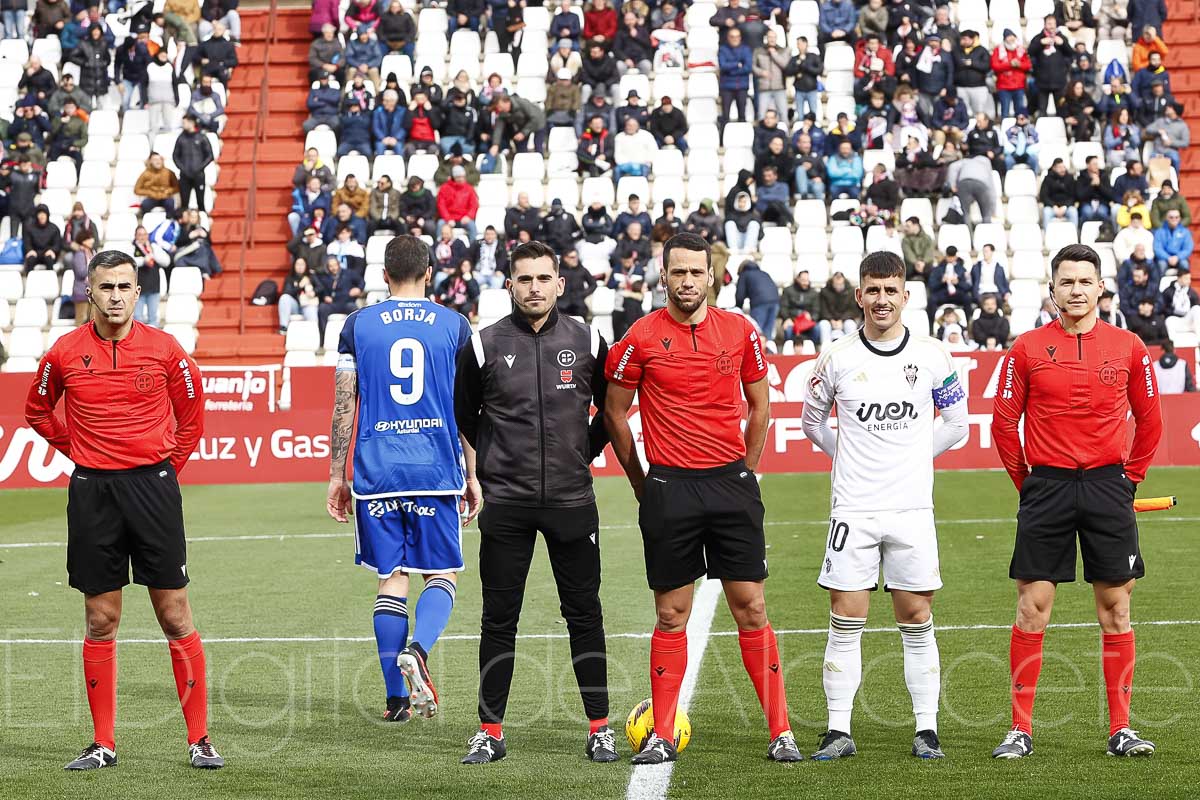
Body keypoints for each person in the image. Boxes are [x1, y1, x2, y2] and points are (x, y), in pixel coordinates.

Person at [604, 233, 802, 765]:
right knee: (672, 614)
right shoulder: (640, 338)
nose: (687, 281)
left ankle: (780, 731)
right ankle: (662, 734)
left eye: (696, 272)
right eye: (678, 273)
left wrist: (747, 470)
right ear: (662, 276)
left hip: (730, 486)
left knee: (752, 607)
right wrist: (643, 483)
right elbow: (615, 412)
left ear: (711, 275)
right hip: (670, 488)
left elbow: (761, 406)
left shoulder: (740, 330)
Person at [24, 250, 221, 771]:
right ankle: (103, 743)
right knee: (100, 617)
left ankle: (199, 740)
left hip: (153, 487)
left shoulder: (164, 349)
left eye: (124, 287)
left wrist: (164, 469)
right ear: (90, 291)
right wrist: (81, 452)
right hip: (93, 493)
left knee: (174, 613)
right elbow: (36, 410)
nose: (115, 296)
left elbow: (192, 415)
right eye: (105, 286)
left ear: (138, 293)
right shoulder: (63, 352)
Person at [990, 244, 1163, 760]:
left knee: (1116, 609)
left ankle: (1120, 729)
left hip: (1109, 486)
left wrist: (1128, 480)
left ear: (1100, 288)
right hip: (1047, 487)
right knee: (1032, 608)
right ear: (1053, 289)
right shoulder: (1025, 347)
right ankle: (1020, 729)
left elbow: (1150, 420)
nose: (1077, 290)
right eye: (1067, 282)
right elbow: (1004, 422)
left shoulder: (1130, 346)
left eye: (1086, 281)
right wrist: (1030, 483)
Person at [800, 251, 967, 761]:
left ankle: (926, 729)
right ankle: (837, 730)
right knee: (845, 614)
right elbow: (812, 422)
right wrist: (846, 458)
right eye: (873, 290)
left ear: (905, 296)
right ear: (859, 296)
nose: (881, 300)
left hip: (912, 508)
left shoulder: (936, 355)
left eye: (890, 290)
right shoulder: (836, 357)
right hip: (854, 507)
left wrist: (910, 458)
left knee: (916, 615)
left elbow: (957, 425)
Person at [454, 241, 615, 764]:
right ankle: (490, 730)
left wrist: (578, 454)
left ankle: (599, 727)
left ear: (560, 284)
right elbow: (466, 415)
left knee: (584, 614)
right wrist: (496, 466)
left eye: (544, 278)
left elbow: (609, 412)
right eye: (524, 279)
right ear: (509, 284)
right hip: (508, 504)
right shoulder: (482, 344)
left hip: (572, 500)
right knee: (499, 618)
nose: (534, 288)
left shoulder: (589, 339)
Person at [327, 235, 481, 725]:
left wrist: (337, 474)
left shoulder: (357, 325)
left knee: (390, 580)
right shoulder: (455, 326)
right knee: (441, 574)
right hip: (435, 468)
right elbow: (467, 410)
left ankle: (396, 700)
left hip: (377, 470)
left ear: (383, 275)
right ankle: (419, 647)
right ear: (430, 273)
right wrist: (473, 474)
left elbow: (344, 402)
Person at [173, 114, 214, 212]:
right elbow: (175, 156)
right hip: (184, 175)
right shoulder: (181, 138)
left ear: (192, 123)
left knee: (200, 202)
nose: (183, 125)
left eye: (185, 122)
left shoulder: (201, 137)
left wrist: (199, 168)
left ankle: (202, 224)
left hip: (198, 175)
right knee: (184, 204)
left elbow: (209, 156)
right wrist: (183, 168)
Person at [735, 259, 780, 339]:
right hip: (775, 302)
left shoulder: (744, 274)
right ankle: (767, 350)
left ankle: (757, 351)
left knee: (756, 331)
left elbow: (740, 295)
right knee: (768, 332)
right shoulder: (764, 273)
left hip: (759, 304)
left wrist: (738, 308)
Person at [278, 257, 324, 333]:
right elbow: (286, 292)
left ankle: (312, 335)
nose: (299, 266)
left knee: (311, 310)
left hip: (308, 304)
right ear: (294, 266)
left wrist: (314, 292)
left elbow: (321, 287)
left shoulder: (311, 276)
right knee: (284, 298)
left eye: (302, 264)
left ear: (306, 265)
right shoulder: (290, 277)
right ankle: (284, 327)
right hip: (295, 305)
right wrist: (299, 287)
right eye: (297, 264)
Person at [817, 271, 862, 342]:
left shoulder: (851, 292)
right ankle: (825, 348)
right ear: (832, 282)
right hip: (829, 320)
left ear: (844, 282)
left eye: (840, 284)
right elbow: (823, 309)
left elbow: (852, 310)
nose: (838, 286)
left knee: (850, 324)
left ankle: (851, 346)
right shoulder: (824, 292)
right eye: (836, 284)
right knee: (823, 324)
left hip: (845, 319)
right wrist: (831, 320)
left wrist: (842, 320)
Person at [134, 152, 180, 216]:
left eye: (159, 159)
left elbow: (176, 187)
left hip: (165, 197)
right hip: (152, 198)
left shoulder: (169, 173)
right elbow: (137, 189)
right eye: (155, 160)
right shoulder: (145, 174)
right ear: (150, 161)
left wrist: (168, 191)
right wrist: (149, 192)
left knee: (170, 204)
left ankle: (169, 221)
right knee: (145, 205)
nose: (158, 161)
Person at [1152, 208, 1192, 274]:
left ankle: (1185, 284)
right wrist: (1168, 257)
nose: (1174, 219)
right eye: (1171, 217)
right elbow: (1157, 248)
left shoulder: (1185, 232)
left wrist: (1177, 257)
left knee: (1184, 264)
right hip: (1164, 258)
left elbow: (1188, 249)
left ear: (1180, 218)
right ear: (1166, 218)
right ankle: (1159, 284)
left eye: (1177, 217)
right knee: (1161, 265)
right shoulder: (1159, 232)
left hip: (1180, 258)